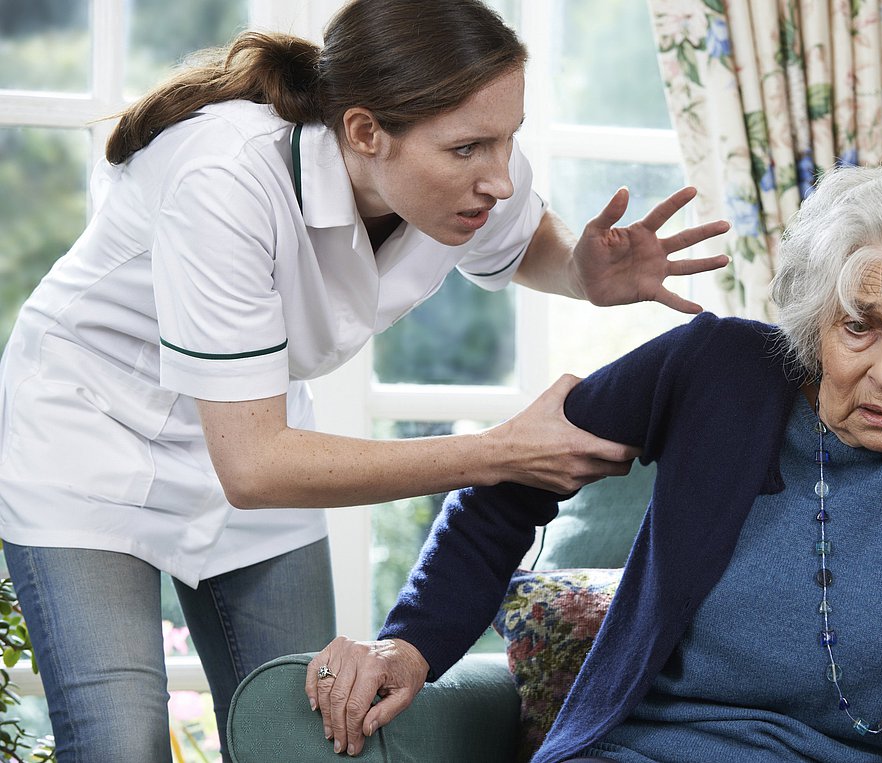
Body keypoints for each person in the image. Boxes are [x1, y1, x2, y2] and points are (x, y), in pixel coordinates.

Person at [0, 1, 730, 761]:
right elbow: (252, 466)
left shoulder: (461, 178)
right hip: (93, 436)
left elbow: (520, 242)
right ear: (364, 131)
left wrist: (581, 271)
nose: (502, 179)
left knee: (311, 738)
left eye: (508, 139)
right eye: (470, 149)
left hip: (255, 428)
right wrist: (500, 452)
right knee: (123, 747)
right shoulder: (225, 177)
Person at [308, 163, 882, 763]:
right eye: (859, 326)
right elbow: (507, 484)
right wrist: (407, 642)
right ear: (817, 322)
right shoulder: (717, 368)